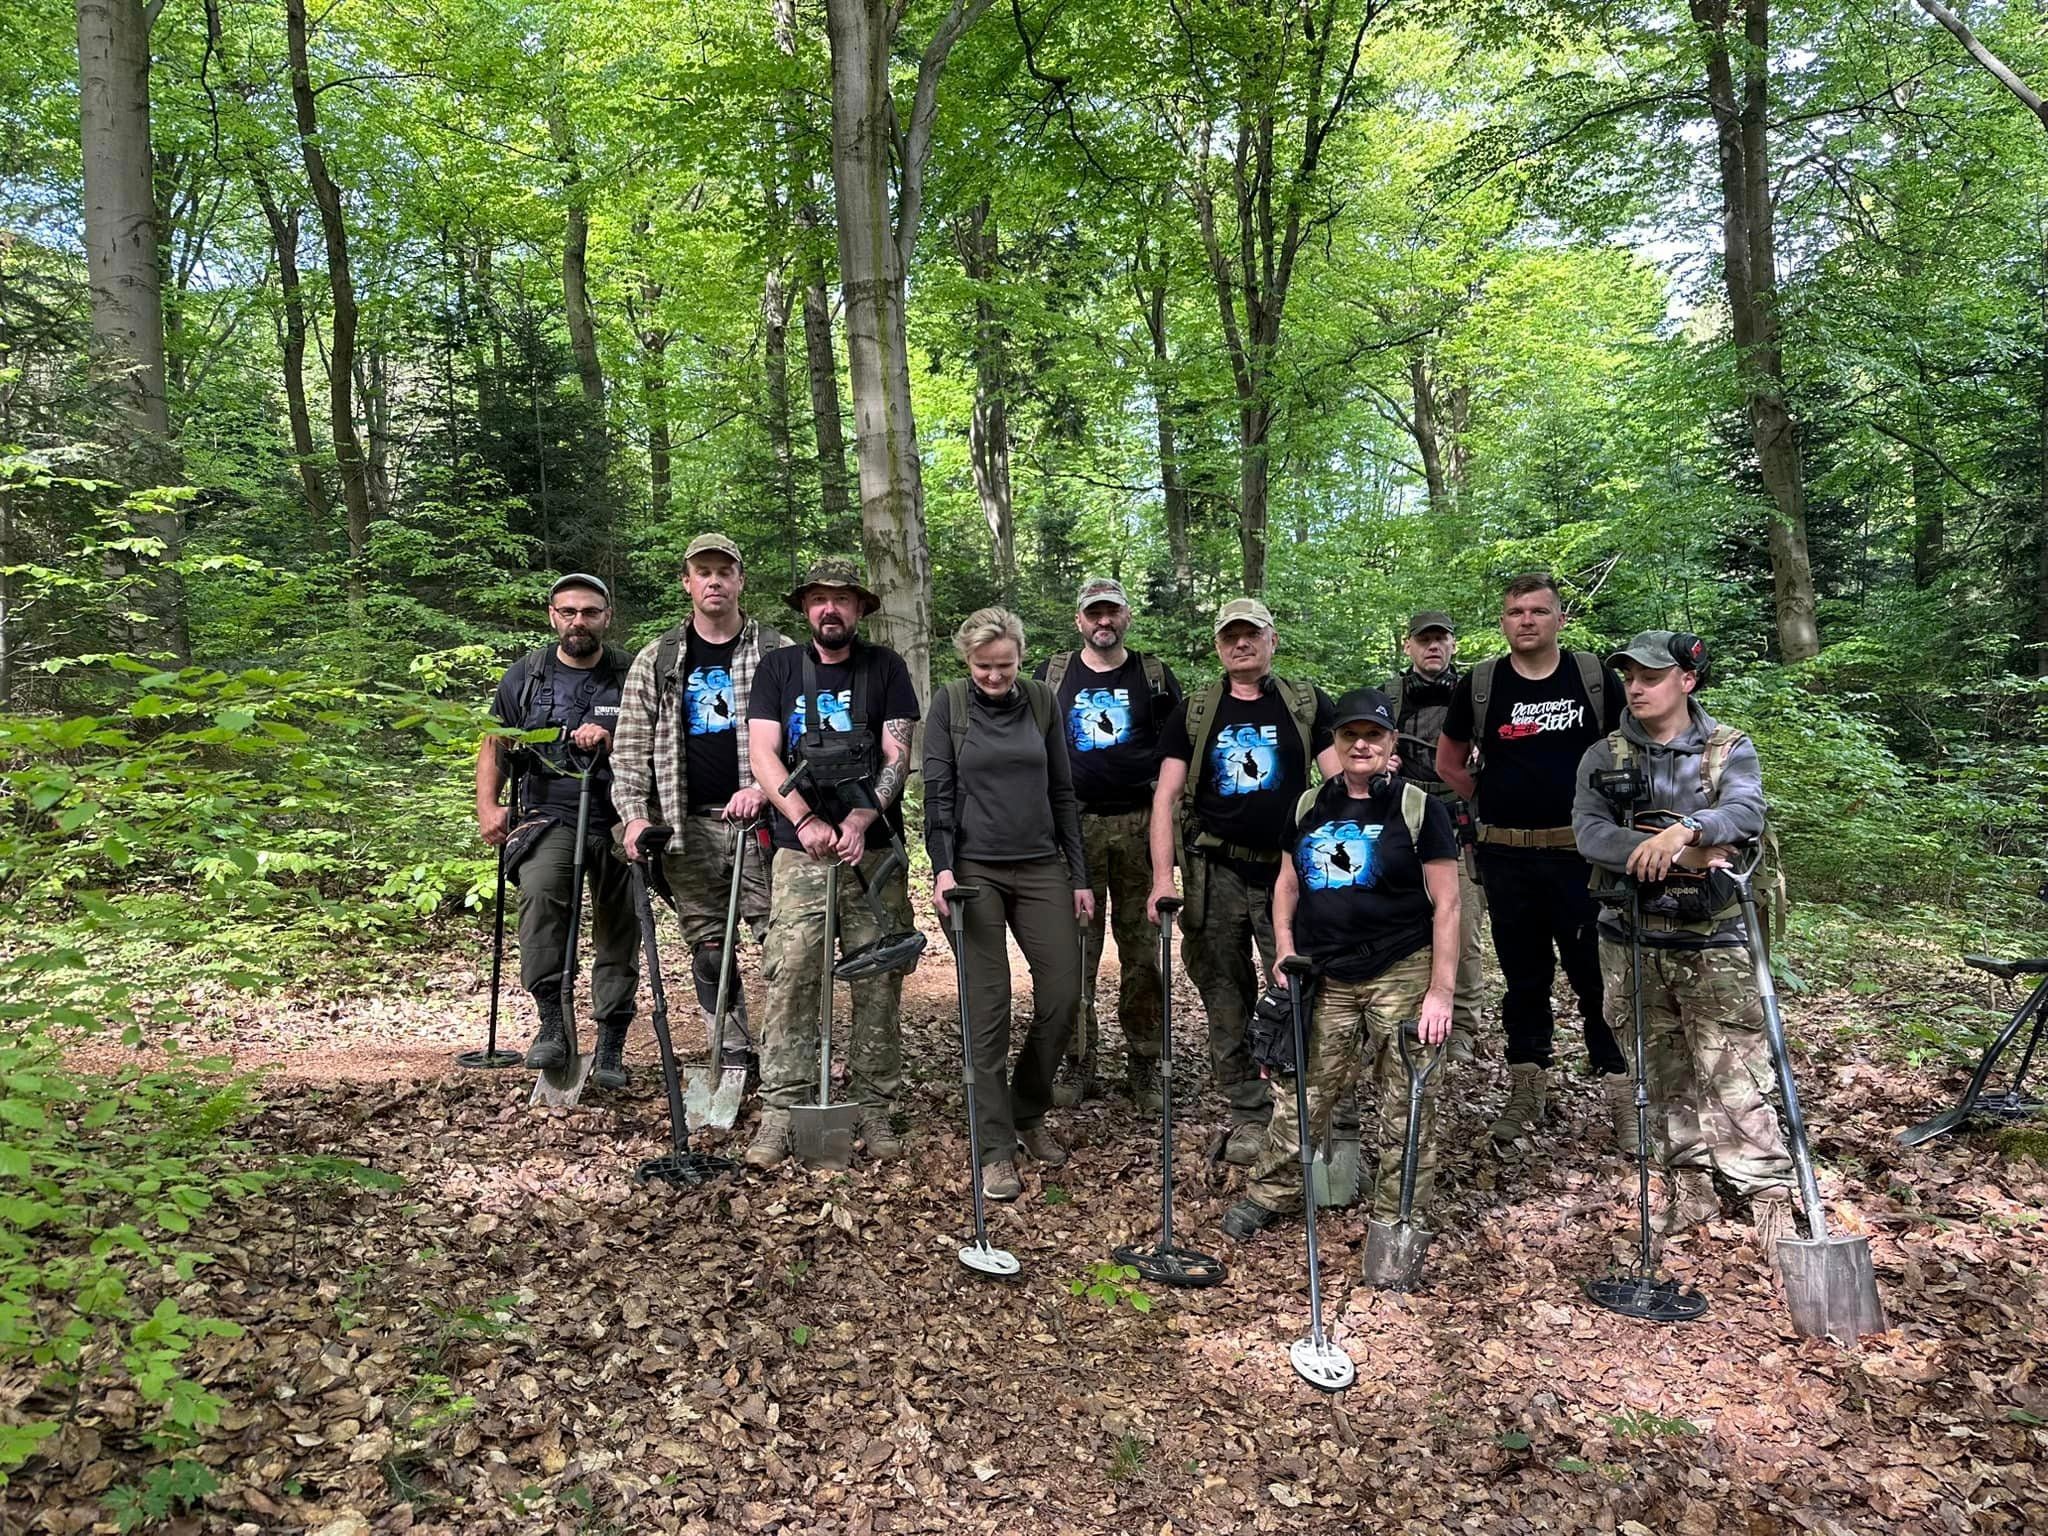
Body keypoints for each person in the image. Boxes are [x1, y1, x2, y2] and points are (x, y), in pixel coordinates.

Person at [1573, 630, 1795, 1248]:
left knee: (1737, 1073)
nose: (1636, 688)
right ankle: (1690, 1187)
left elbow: (1745, 814)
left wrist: (1687, 830)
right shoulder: (1605, 754)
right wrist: (1684, 854)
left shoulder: (1726, 751)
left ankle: (1767, 1197)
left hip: (1712, 939)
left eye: (1650, 676)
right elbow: (1589, 833)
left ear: (1686, 681)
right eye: (1629, 678)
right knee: (1659, 1070)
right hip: (1631, 938)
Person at [1221, 688, 1461, 1240]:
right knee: (1303, 1091)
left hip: (1401, 969)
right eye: (1350, 735)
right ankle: (1272, 1192)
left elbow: (1448, 904)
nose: (1361, 745)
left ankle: (1397, 1216)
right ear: (1334, 743)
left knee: (1407, 1098)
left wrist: (1440, 991)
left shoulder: (1419, 807)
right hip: (1324, 974)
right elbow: (1287, 882)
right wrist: (1284, 945)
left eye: (1373, 735)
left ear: (1390, 743)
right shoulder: (1310, 805)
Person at [1436, 573, 1631, 1149]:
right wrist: (1488, 801)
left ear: (1559, 620)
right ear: (1503, 621)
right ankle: (1527, 1086)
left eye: (1539, 611)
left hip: (1583, 857)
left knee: (1596, 974)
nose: (1526, 620)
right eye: (1515, 611)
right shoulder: (1481, 684)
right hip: (1506, 858)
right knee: (1524, 978)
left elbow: (1631, 754)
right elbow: (1450, 763)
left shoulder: (1592, 678)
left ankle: (1622, 1089)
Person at [1148, 597, 1339, 1165]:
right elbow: (1166, 797)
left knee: (1296, 988)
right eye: (1231, 636)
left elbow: (1335, 789)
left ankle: (1296, 1109)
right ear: (1219, 646)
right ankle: (1248, 1112)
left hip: (1289, 872)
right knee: (1225, 995)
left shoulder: (1306, 704)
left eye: (1251, 634)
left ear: (1271, 640)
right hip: (1216, 871)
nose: (1241, 644)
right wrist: (1163, 877)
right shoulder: (1198, 709)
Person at [744, 558, 920, 1169]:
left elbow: (898, 752)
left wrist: (861, 817)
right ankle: (781, 1108)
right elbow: (764, 753)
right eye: (819, 599)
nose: (830, 609)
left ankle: (874, 1104)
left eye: (843, 600)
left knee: (878, 977)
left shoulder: (886, 669)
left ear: (861, 609)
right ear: (806, 609)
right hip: (799, 851)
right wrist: (805, 819)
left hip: (873, 854)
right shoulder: (779, 668)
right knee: (793, 974)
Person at [926, 608, 1095, 1202]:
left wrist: (1078, 874)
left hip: (1041, 862)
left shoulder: (1043, 702)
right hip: (975, 870)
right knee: (988, 1004)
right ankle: (995, 1146)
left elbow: (1062, 791)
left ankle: (1027, 1108)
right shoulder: (949, 705)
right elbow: (938, 796)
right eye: (983, 666)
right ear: (966, 662)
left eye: (1005, 665)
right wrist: (943, 869)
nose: (995, 676)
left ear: (1021, 658)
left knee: (1063, 994)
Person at [611, 533, 786, 1086]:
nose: (714, 581)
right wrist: (635, 816)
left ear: (740, 580)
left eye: (724, 571)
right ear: (687, 582)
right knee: (710, 944)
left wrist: (768, 787)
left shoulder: (778, 654)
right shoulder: (658, 659)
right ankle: (732, 1048)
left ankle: (787, 1051)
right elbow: (632, 746)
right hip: (685, 826)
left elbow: (799, 740)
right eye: (702, 572)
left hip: (760, 825)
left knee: (778, 940)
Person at [476, 574, 638, 1084]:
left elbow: (661, 739)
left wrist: (613, 736)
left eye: (589, 612)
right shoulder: (526, 676)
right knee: (541, 898)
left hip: (620, 815)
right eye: (568, 612)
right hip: (549, 815)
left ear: (606, 617)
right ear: (552, 616)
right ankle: (551, 1024)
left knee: (620, 926)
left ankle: (611, 1041)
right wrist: (488, 805)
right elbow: (495, 743)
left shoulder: (632, 674)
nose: (578, 621)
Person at [1035, 576, 1184, 1112]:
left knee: (1143, 952)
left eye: (1112, 612)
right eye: (1094, 613)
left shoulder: (1154, 676)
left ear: (1126, 617)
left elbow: (1178, 754)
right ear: (1080, 620)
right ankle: (1079, 1062)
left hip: (1143, 827)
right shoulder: (1051, 676)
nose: (1103, 621)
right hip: (1071, 830)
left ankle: (1146, 1064)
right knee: (1076, 950)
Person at [1387, 610, 1486, 1064]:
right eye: (1424, 640)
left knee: (1462, 926)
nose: (1433, 647)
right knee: (1397, 922)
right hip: (1403, 819)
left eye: (1440, 639)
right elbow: (1359, 743)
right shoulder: (1390, 695)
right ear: (1408, 645)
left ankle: (1463, 1024)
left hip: (1459, 819)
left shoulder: (1477, 695)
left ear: (1452, 645)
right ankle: (1399, 1014)